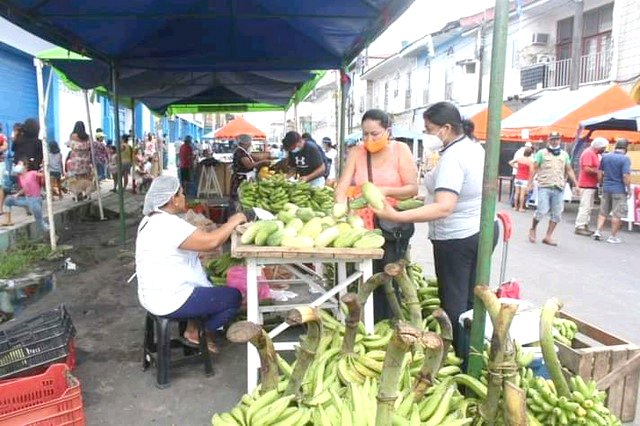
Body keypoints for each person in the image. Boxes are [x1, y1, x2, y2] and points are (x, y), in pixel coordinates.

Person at [369, 102, 483, 361]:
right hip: (476, 232)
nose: (427, 134)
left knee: (454, 307)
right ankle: (472, 357)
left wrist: (396, 215)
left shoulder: (454, 157)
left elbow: (443, 207)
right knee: (469, 303)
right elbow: (443, 194)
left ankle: (457, 361)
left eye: (430, 129)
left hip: (457, 239)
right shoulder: (472, 147)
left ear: (446, 128)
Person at [135, 175, 247, 352]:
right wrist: (232, 222)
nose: (184, 197)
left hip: (150, 296)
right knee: (233, 297)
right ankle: (198, 333)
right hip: (170, 300)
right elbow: (212, 242)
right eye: (181, 193)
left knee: (207, 284)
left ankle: (193, 326)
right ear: (173, 199)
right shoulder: (167, 224)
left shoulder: (150, 219)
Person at [335, 109, 418, 321]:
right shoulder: (356, 152)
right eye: (365, 134)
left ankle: (391, 324)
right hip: (363, 227)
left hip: (392, 223)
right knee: (367, 277)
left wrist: (385, 191)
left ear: (387, 131)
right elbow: (343, 184)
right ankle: (368, 323)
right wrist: (339, 207)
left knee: (388, 278)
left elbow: (412, 188)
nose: (369, 139)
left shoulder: (401, 150)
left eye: (375, 134)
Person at [527, 131, 578, 246]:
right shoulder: (541, 153)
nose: (554, 142)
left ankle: (548, 236)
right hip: (544, 185)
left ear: (560, 140)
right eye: (552, 139)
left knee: (557, 214)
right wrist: (529, 184)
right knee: (542, 210)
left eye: (556, 139)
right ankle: (533, 228)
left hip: (558, 186)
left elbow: (568, 169)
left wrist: (576, 184)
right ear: (548, 140)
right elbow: (534, 168)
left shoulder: (564, 155)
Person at [593, 139, 631, 244]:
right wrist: (628, 189)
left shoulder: (605, 157)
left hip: (606, 188)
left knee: (603, 212)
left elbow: (599, 173)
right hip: (619, 190)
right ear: (625, 148)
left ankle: (598, 231)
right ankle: (612, 236)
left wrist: (601, 184)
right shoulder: (625, 159)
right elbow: (625, 176)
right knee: (616, 214)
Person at [1, 159, 48, 232]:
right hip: (27, 199)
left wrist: (44, 167)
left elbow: (44, 175)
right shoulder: (20, 177)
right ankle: (7, 219)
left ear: (25, 166)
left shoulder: (32, 173)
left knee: (40, 223)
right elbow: (25, 188)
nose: (18, 166)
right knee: (8, 200)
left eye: (20, 164)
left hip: (35, 200)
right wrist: (17, 194)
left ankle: (51, 233)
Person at [575, 137, 608, 236]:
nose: (604, 150)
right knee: (585, 206)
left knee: (588, 206)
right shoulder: (589, 153)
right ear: (599, 147)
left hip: (590, 184)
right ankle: (580, 226)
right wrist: (598, 172)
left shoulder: (594, 154)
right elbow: (586, 168)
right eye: (603, 148)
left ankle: (584, 224)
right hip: (586, 184)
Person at [229, 134, 268, 201]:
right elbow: (249, 165)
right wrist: (262, 162)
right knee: (239, 197)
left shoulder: (244, 152)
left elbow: (254, 158)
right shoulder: (240, 152)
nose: (250, 144)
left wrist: (263, 159)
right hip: (240, 179)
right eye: (250, 142)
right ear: (245, 143)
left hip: (243, 178)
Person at [508, 147, 533, 212]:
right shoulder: (530, 161)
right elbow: (531, 171)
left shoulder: (519, 159)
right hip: (525, 178)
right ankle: (521, 207)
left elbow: (510, 162)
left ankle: (515, 206)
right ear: (530, 153)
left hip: (518, 177)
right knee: (522, 193)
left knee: (516, 192)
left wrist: (516, 167)